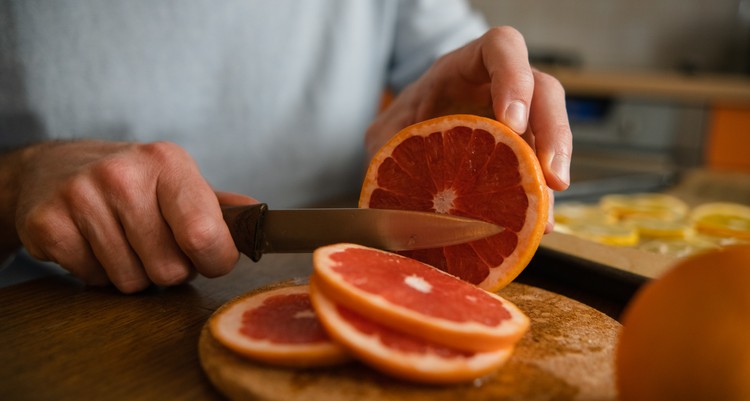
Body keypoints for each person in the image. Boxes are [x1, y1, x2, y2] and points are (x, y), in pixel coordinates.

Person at [0, 0, 571, 293]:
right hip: (46, 311)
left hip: (338, 286)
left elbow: (457, 65)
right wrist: (14, 183)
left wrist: (487, 125)